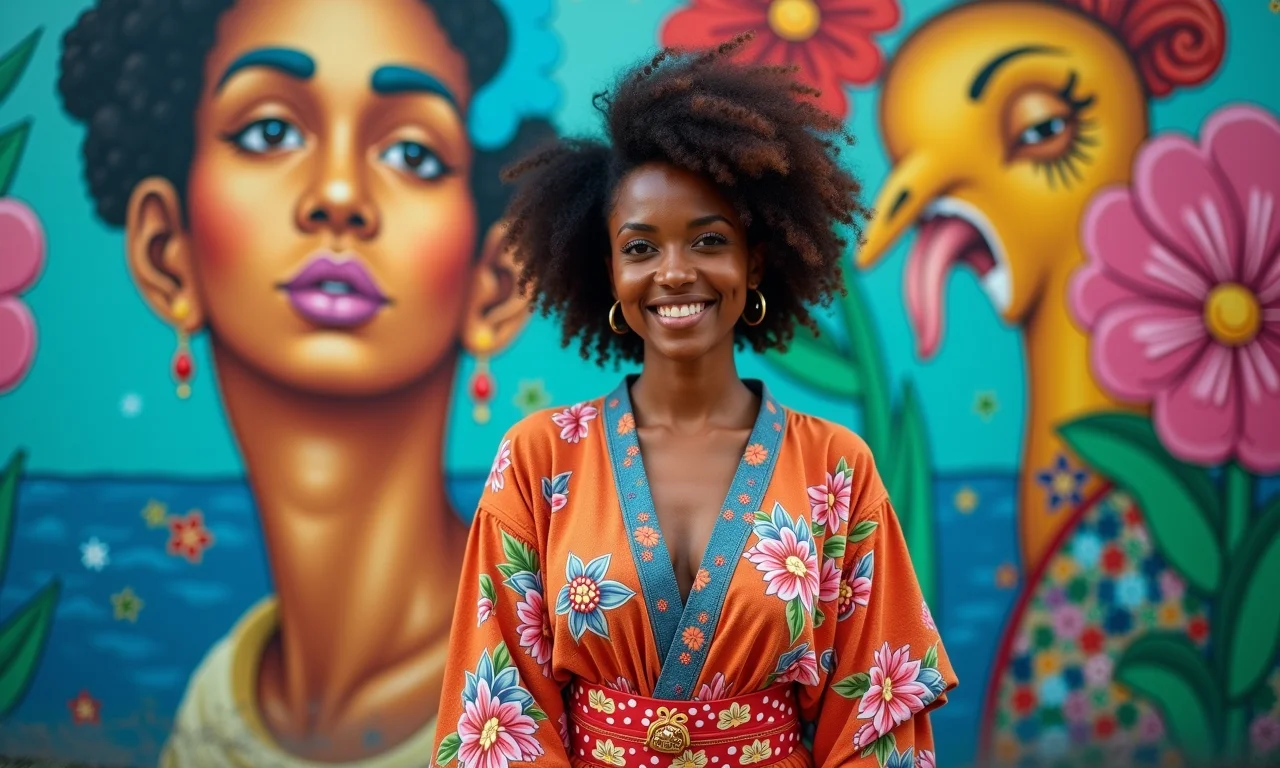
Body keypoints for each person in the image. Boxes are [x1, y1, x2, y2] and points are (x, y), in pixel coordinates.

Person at [431, 34, 957, 768]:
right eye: (641, 248)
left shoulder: (836, 468)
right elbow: (499, 712)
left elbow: (874, 723)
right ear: (608, 268)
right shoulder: (537, 462)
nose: (674, 273)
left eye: (708, 241)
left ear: (755, 258)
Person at [56, 0, 552, 764]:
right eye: (270, 132)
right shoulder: (214, 710)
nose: (341, 196)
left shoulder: (557, 665)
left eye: (413, 152)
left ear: (496, 283)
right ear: (166, 252)